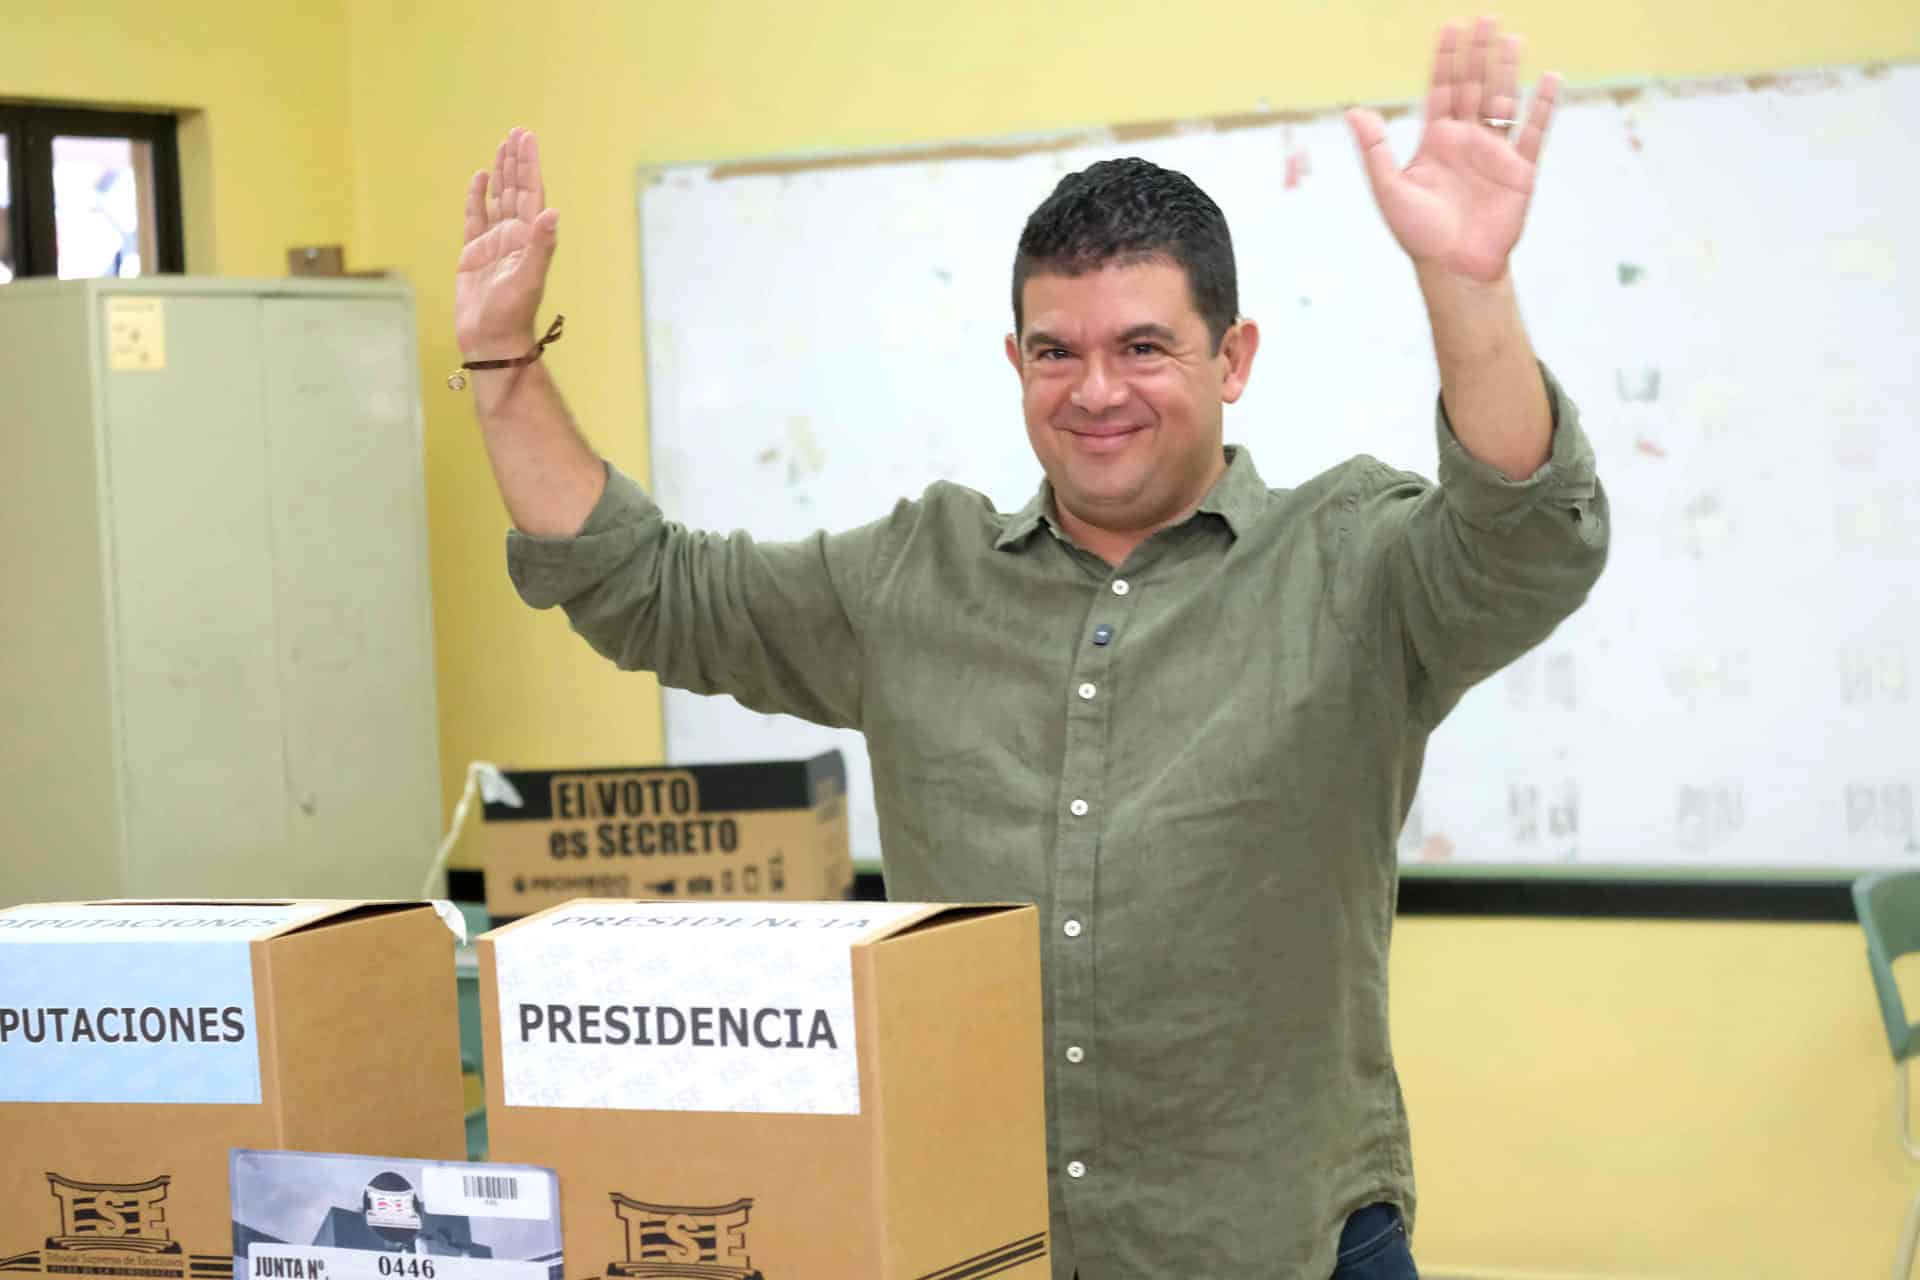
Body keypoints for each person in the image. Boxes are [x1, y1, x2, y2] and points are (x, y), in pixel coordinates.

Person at [452, 17, 1607, 1280]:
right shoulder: (914, 574)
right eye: (1056, 350)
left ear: (1235, 358)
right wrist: (502, 361)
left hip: (1282, 1247)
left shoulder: (1350, 562)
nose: (1094, 390)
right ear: (1015, 362)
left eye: (1144, 347)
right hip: (985, 1244)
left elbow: (1525, 534)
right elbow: (645, 583)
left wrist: (1468, 285)